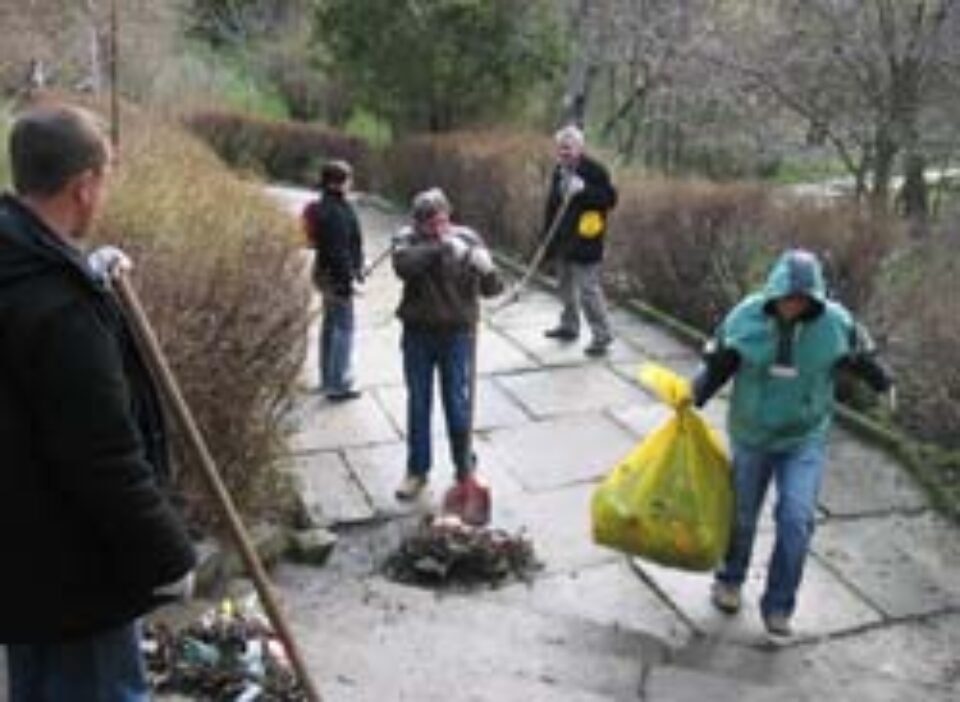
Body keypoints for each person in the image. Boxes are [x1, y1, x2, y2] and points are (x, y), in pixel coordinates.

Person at [0, 104, 197, 699]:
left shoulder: (18, 266)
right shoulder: (62, 310)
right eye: (104, 179)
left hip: (19, 565)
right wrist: (170, 555)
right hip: (78, 577)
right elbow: (104, 457)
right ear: (84, 187)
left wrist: (84, 272)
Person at [692, 249, 894, 637]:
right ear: (774, 292)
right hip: (752, 434)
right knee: (742, 516)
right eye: (787, 296)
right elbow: (719, 361)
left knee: (796, 520)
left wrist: (883, 381)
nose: (793, 305)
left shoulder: (836, 322)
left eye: (803, 299)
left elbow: (862, 354)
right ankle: (730, 579)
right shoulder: (746, 316)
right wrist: (695, 395)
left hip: (804, 437)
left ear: (816, 298)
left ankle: (779, 605)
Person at [391, 188, 503, 500]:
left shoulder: (468, 238)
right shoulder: (406, 240)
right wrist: (441, 247)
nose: (440, 228)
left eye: (443, 221)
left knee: (457, 405)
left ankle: (465, 468)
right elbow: (404, 267)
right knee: (419, 403)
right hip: (418, 336)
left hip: (457, 336)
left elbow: (493, 290)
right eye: (431, 224)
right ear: (418, 223)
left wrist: (487, 268)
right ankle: (417, 471)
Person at [541, 124, 618, 357]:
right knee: (564, 287)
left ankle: (602, 335)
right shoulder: (559, 171)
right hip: (563, 239)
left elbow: (609, 199)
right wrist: (546, 240)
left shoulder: (595, 171)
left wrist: (583, 190)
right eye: (561, 148)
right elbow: (552, 206)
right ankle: (569, 326)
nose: (564, 152)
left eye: (568, 148)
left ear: (580, 147)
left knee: (588, 291)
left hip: (586, 241)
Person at [302, 159, 365, 401]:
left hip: (323, 275)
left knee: (330, 327)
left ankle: (327, 378)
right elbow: (340, 250)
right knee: (344, 330)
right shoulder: (338, 211)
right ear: (338, 182)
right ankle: (339, 383)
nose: (351, 183)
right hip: (338, 280)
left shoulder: (322, 206)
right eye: (349, 179)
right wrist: (350, 279)